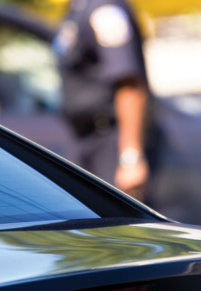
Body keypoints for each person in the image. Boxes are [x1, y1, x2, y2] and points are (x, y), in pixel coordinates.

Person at [54, 0, 153, 200]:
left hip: (109, 140)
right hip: (86, 139)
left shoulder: (104, 9)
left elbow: (128, 84)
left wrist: (130, 158)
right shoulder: (78, 7)